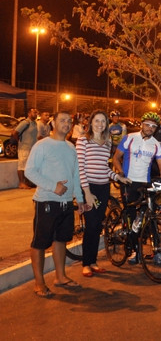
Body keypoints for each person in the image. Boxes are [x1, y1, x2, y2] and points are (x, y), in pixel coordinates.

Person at [25, 111, 85, 297]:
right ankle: (39, 282)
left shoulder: (70, 147)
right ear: (53, 123)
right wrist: (53, 186)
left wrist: (80, 199)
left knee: (61, 239)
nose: (66, 123)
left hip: (66, 203)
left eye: (69, 121)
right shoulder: (42, 145)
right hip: (46, 201)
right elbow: (29, 171)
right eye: (62, 120)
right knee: (40, 242)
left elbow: (75, 175)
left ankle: (60, 277)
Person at [76, 110, 128, 277]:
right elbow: (81, 168)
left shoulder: (107, 142)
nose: (100, 124)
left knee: (98, 225)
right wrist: (87, 193)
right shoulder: (83, 140)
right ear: (91, 122)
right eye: (97, 121)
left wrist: (118, 177)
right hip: (89, 188)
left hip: (103, 188)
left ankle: (93, 262)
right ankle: (86, 263)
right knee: (91, 224)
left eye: (103, 121)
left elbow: (104, 168)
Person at [113, 112, 161, 264]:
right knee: (131, 217)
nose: (150, 128)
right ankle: (135, 251)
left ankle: (157, 251)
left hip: (146, 184)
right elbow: (116, 158)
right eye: (148, 124)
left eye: (153, 126)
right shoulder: (130, 138)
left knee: (151, 218)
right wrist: (120, 173)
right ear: (142, 124)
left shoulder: (156, 144)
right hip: (129, 182)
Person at [15, 108, 39, 189]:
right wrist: (20, 141)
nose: (36, 114)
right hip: (24, 148)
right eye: (34, 112)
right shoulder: (25, 123)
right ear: (29, 113)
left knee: (28, 166)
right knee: (21, 166)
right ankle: (21, 183)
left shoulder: (35, 123)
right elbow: (15, 132)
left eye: (37, 112)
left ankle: (27, 182)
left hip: (31, 148)